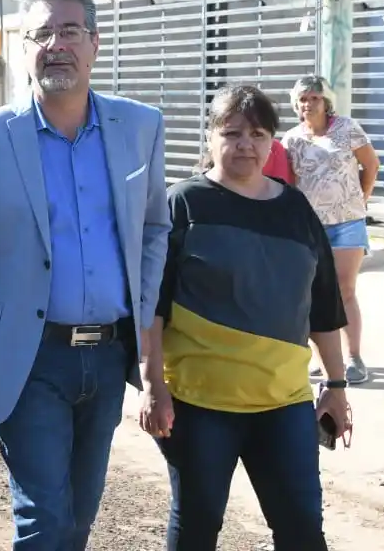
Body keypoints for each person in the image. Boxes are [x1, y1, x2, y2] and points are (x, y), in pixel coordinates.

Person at [0, 0, 170, 550]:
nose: (55, 45)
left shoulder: (140, 128)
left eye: (69, 31)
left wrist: (142, 339)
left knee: (78, 518)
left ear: (94, 43)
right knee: (44, 520)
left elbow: (156, 229)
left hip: (108, 357)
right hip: (28, 355)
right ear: (25, 47)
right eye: (41, 33)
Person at [139, 85, 354, 551]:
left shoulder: (296, 209)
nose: (245, 145)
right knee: (197, 527)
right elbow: (150, 308)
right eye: (232, 133)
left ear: (273, 142)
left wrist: (336, 386)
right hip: (199, 407)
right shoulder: (182, 204)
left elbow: (322, 306)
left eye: (258, 134)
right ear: (211, 137)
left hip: (285, 403)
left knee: (302, 532)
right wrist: (153, 385)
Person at [283, 75, 381, 385]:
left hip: (347, 223)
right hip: (310, 227)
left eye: (314, 98)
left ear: (326, 102)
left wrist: (360, 199)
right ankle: (323, 359)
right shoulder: (291, 139)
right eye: (302, 99)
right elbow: (288, 181)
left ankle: (354, 358)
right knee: (310, 293)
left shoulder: (347, 128)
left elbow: (371, 165)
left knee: (344, 290)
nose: (308, 103)